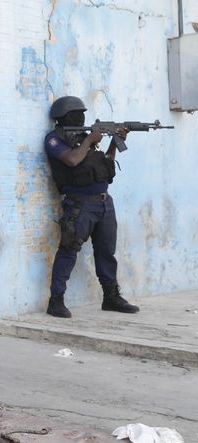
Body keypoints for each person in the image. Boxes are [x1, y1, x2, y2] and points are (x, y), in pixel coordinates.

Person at [43, 95, 140, 318]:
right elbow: (72, 160)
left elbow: (105, 162)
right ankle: (56, 301)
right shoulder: (54, 139)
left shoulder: (86, 138)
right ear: (64, 117)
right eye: (76, 114)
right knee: (69, 250)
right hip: (80, 205)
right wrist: (90, 140)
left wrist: (115, 141)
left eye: (82, 113)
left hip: (104, 202)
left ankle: (111, 297)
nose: (81, 117)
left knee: (106, 252)